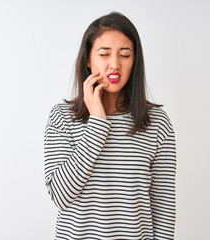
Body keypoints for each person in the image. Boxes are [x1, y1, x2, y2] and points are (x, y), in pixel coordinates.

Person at [44, 11, 176, 240]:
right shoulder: (62, 118)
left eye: (125, 55)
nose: (115, 64)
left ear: (135, 61)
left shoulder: (157, 122)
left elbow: (163, 208)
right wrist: (97, 122)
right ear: (88, 59)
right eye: (104, 54)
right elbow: (60, 195)